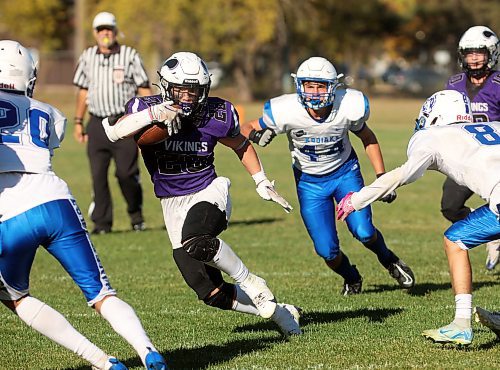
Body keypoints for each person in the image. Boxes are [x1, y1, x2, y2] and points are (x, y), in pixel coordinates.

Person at [102, 51, 302, 337]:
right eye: (181, 89)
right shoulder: (145, 106)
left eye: (194, 90)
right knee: (210, 292)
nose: (187, 96)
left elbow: (240, 144)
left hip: (208, 191)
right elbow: (118, 133)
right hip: (171, 202)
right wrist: (155, 114)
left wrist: (260, 181)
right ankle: (282, 313)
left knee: (196, 240)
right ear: (166, 86)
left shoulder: (215, 112)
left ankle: (252, 282)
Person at [0, 40, 167, 369]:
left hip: (10, 213)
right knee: (102, 294)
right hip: (55, 200)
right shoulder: (50, 113)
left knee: (15, 297)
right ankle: (147, 351)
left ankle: (103, 361)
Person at [336, 89, 500, 345]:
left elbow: (402, 175)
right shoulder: (494, 126)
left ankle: (461, 324)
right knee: (458, 236)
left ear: (433, 116)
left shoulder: (432, 136)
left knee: (455, 240)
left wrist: (356, 199)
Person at [240, 56, 415, 295]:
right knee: (326, 251)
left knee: (364, 232)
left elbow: (368, 138)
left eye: (320, 85)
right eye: (309, 85)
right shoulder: (285, 110)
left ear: (333, 87)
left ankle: (388, 259)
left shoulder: (348, 106)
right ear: (299, 85)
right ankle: (351, 277)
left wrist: (382, 178)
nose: (314, 92)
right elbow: (245, 127)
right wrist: (256, 136)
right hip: (310, 184)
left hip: (345, 175)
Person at [73, 11, 151, 234]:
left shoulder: (129, 55)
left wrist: (146, 118)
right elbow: (82, 91)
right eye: (101, 29)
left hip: (124, 121)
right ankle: (102, 223)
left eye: (109, 29)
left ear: (115, 31)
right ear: (95, 33)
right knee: (98, 175)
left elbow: (143, 87)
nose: (105, 33)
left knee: (126, 173)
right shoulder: (87, 56)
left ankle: (136, 215)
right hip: (97, 122)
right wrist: (78, 121)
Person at [441, 25, 500, 271]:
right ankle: (493, 234)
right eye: (469, 53)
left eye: (479, 53)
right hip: (466, 159)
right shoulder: (453, 84)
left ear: (491, 53)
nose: (474, 58)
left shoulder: (498, 84)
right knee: (450, 207)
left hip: (495, 160)